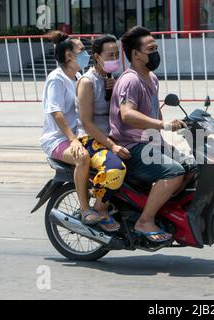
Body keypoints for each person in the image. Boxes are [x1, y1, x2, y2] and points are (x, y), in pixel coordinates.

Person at [110, 26, 190, 244]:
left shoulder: (151, 78)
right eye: (151, 49)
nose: (155, 53)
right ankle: (145, 220)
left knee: (191, 165)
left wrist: (162, 139)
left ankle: (164, 211)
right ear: (136, 54)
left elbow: (154, 110)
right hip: (132, 146)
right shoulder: (131, 80)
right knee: (174, 172)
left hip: (150, 142)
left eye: (156, 48)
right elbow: (127, 115)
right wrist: (162, 125)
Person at [40, 31, 101, 226]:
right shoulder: (56, 78)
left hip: (79, 135)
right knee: (82, 157)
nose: (87, 54)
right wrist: (72, 139)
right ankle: (84, 209)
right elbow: (56, 112)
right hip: (58, 139)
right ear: (69, 55)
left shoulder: (78, 77)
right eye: (82, 50)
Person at [76, 35, 129, 232]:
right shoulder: (87, 82)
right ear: (97, 56)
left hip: (111, 136)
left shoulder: (112, 80)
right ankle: (100, 208)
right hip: (90, 139)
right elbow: (87, 123)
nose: (114, 58)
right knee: (115, 168)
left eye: (117, 54)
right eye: (110, 55)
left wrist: (116, 91)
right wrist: (112, 146)